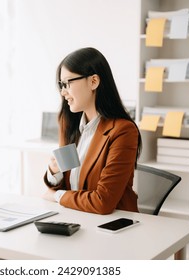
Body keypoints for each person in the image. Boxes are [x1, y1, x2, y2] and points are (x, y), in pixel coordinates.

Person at [43, 47, 142, 215]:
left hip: (112, 227)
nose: (63, 91)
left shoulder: (123, 131)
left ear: (93, 82)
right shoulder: (70, 124)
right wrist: (55, 172)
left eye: (68, 83)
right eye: (61, 85)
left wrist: (57, 196)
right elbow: (67, 186)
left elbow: (103, 202)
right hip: (78, 217)